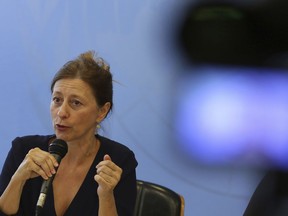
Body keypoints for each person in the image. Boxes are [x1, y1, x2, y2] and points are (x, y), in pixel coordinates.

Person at [0, 51, 138, 216]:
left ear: (102, 111)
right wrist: (18, 179)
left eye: (75, 103)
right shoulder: (23, 150)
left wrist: (106, 195)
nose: (61, 113)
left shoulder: (119, 160)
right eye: (57, 100)